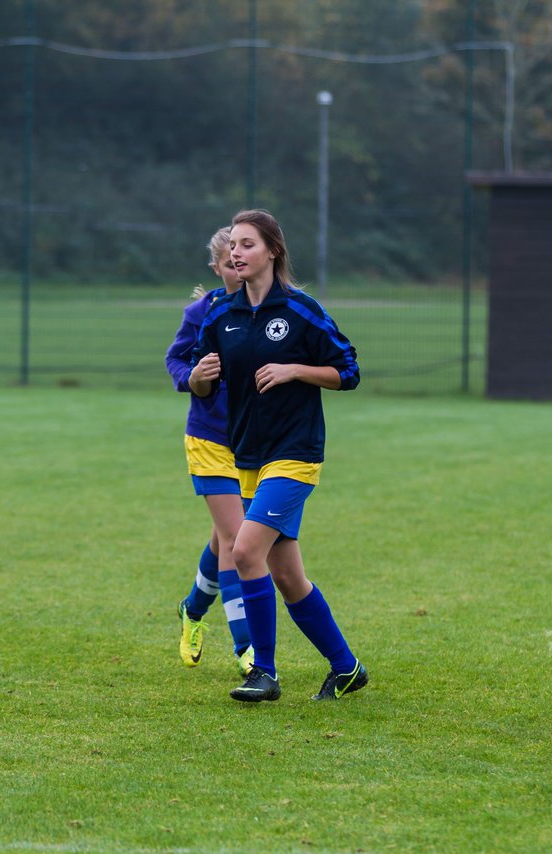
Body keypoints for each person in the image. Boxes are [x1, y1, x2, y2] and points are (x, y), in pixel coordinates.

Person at [189, 208, 366, 703]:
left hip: (295, 452)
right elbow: (205, 385)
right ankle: (347, 668)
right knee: (287, 576)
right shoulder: (220, 314)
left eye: (247, 244)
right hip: (248, 454)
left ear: (273, 251)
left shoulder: (301, 310)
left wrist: (295, 370)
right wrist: (200, 380)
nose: (235, 253)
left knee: (244, 551)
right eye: (233, 246)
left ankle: (263, 673)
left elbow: (348, 370)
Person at [165, 226, 253, 675]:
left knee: (226, 537)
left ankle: (192, 609)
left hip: (255, 442)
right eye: (228, 260)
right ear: (217, 268)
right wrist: (194, 379)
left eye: (244, 254)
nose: (237, 264)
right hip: (209, 439)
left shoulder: (274, 311)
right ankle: (246, 648)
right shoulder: (203, 311)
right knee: (238, 541)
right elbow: (176, 360)